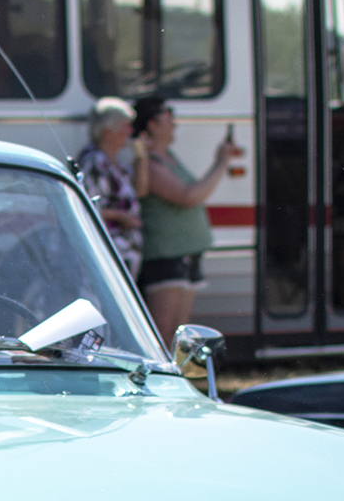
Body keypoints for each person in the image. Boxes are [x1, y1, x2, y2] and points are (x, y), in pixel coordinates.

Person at [131, 95, 241, 345]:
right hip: (165, 257)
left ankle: (176, 380)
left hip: (186, 255)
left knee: (179, 333)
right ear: (152, 124)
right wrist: (221, 162)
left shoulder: (169, 157)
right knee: (164, 332)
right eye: (169, 119)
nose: (175, 125)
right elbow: (189, 196)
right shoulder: (151, 164)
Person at [74, 96, 143, 278]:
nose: (130, 131)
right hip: (106, 255)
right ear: (108, 130)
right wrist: (121, 217)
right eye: (125, 126)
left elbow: (141, 191)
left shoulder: (114, 163)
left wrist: (141, 158)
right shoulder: (94, 162)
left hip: (123, 254)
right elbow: (85, 207)